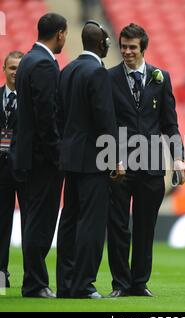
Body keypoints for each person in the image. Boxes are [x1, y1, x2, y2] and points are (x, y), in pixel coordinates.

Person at [107, 23, 185, 297]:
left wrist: (178, 158)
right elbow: (106, 123)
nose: (127, 52)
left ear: (143, 48)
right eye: (124, 47)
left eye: (132, 47)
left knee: (145, 227)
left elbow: (170, 124)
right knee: (118, 226)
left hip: (152, 163)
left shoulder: (160, 77)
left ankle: (139, 283)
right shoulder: (109, 78)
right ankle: (120, 284)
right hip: (117, 163)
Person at [56, 21, 124, 299]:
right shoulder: (97, 72)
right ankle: (84, 284)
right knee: (92, 222)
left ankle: (65, 283)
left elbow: (59, 114)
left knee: (69, 219)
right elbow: (105, 119)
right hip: (93, 160)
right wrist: (116, 158)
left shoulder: (67, 69)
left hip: (69, 158)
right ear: (102, 44)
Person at [14, 13, 67, 298]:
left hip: (27, 155)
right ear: (60, 33)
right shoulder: (45, 64)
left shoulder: (27, 60)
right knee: (41, 221)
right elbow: (47, 116)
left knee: (33, 219)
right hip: (42, 159)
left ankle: (33, 280)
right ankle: (35, 283)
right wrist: (58, 154)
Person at [0, 51, 26, 288]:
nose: (16, 73)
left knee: (29, 224)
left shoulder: (31, 101)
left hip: (25, 170)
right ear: (4, 69)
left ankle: (33, 280)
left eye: (20, 68)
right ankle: (1, 275)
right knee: (1, 223)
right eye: (12, 68)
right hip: (1, 171)